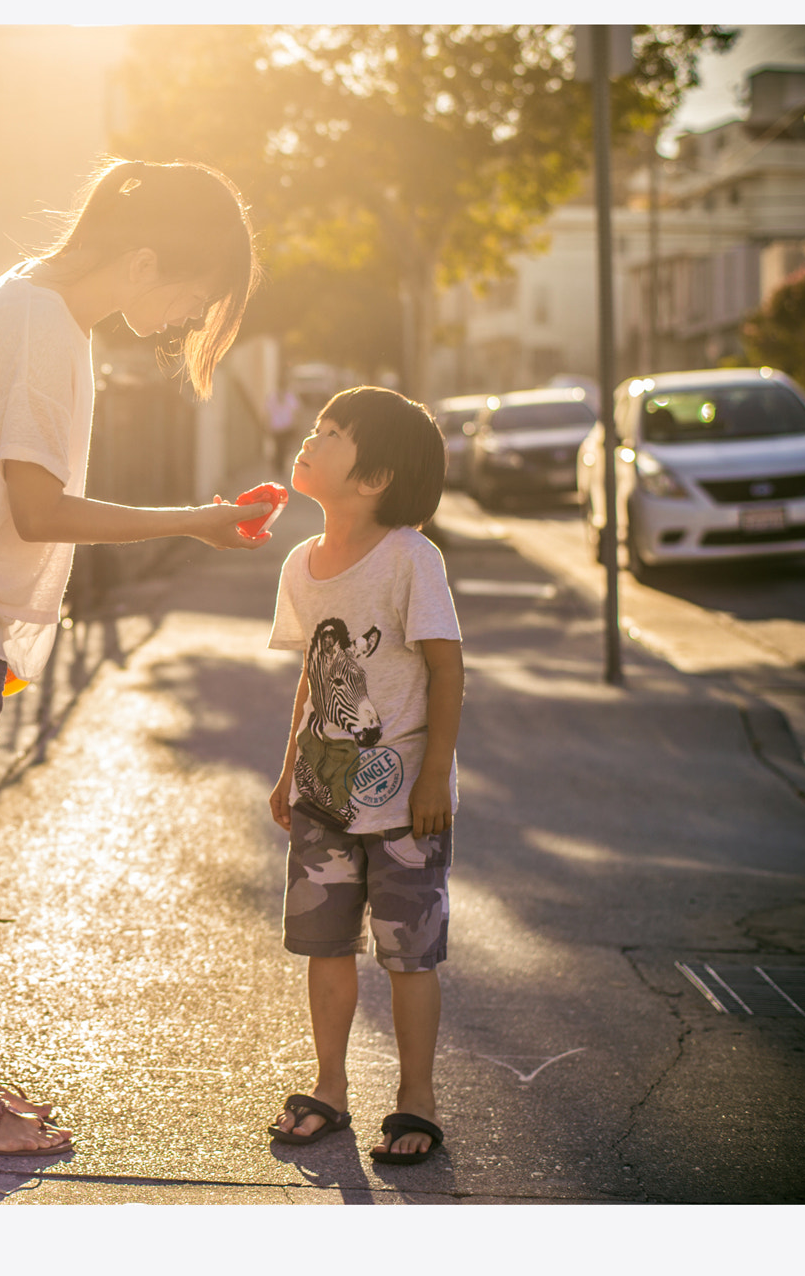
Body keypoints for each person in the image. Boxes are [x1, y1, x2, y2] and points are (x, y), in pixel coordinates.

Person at [0, 158, 270, 1157]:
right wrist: (197, 523)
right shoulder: (44, 325)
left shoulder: (39, 307)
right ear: (148, 257)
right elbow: (38, 510)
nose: (177, 324)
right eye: (188, 300)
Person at [263, 385, 464, 1166]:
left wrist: (434, 777)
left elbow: (446, 670)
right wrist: (287, 776)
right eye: (315, 425)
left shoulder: (412, 558)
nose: (311, 436)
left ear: (374, 476)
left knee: (410, 953)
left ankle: (416, 1097)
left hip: (406, 802)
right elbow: (314, 679)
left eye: (333, 431)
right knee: (326, 945)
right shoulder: (299, 564)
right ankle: (331, 1086)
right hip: (322, 797)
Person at [266, 385, 303, 479]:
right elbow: (268, 413)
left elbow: (296, 412)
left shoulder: (290, 398)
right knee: (278, 448)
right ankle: (278, 467)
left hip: (287, 427)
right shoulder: (272, 398)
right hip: (276, 427)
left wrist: (296, 425)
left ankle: (280, 467)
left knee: (284, 448)